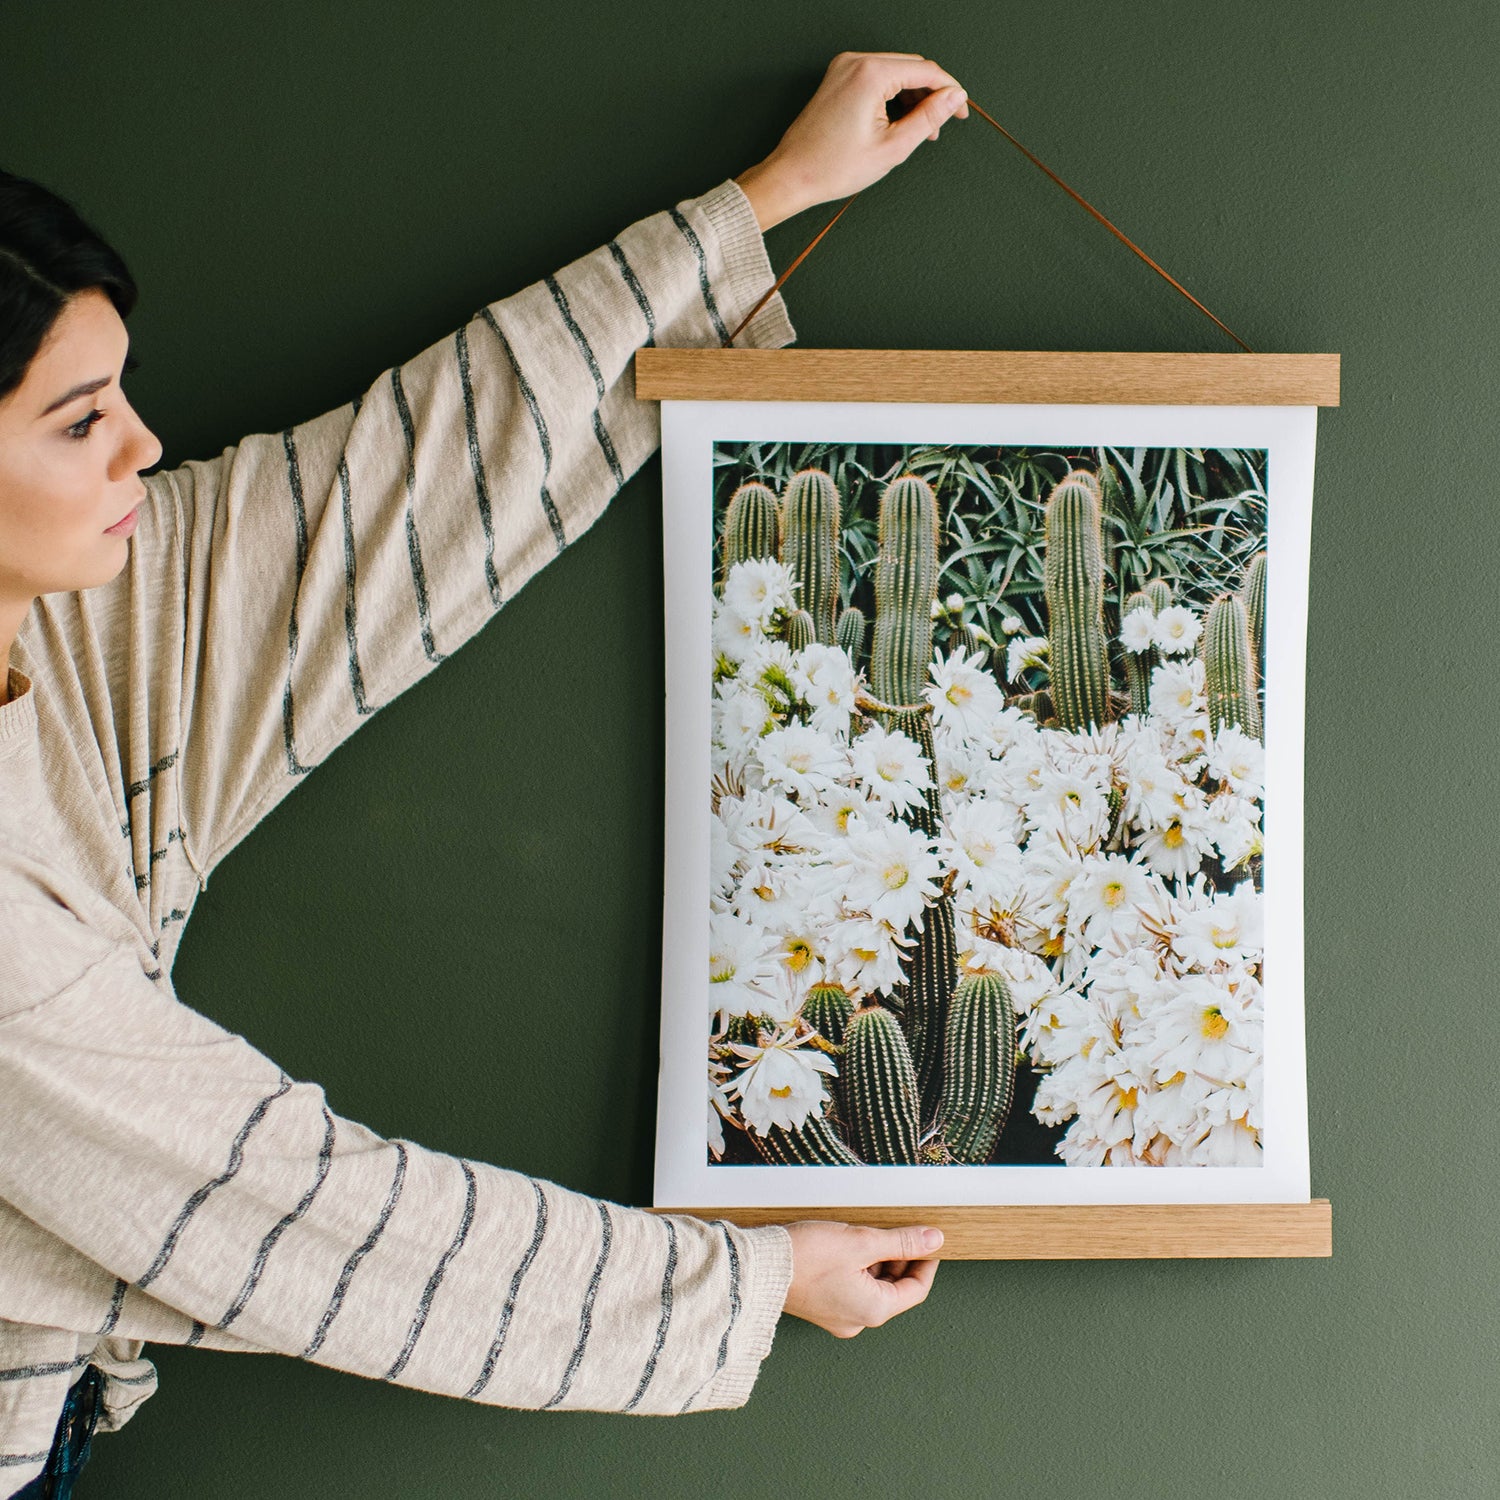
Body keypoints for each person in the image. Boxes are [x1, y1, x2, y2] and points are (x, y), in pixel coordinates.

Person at [0, 51, 969, 1495]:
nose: (144, 442)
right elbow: (287, 1211)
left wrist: (767, 203)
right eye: (79, 423)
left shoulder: (72, 619)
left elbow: (388, 502)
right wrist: (742, 1290)